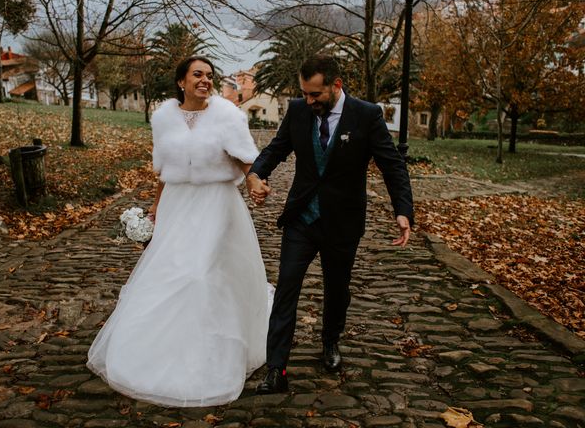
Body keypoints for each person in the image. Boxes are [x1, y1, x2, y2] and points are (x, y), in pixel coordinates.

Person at [87, 55, 272, 407]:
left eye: (210, 75)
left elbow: (249, 159)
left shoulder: (228, 116)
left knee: (201, 275)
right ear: (181, 82)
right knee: (168, 272)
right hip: (176, 204)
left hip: (216, 204)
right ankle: (161, 347)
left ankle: (209, 353)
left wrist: (255, 183)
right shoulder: (163, 118)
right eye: (197, 75)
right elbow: (164, 168)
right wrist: (156, 206)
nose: (205, 80)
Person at [246, 55, 414, 394]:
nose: (308, 101)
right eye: (305, 94)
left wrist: (403, 210)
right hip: (302, 219)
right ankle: (276, 368)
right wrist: (254, 174)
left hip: (343, 222)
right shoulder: (297, 110)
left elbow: (392, 165)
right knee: (286, 291)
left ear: (336, 86)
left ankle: (330, 341)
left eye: (315, 95)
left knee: (338, 290)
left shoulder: (366, 115)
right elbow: (276, 149)